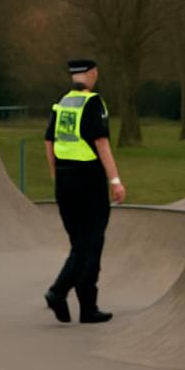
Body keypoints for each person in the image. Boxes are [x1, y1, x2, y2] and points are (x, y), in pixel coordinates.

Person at [44, 58, 126, 324]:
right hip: (88, 181)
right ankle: (58, 291)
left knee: (82, 244)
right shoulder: (92, 103)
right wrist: (115, 181)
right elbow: (101, 143)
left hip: (65, 181)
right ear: (92, 74)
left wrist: (56, 176)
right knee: (90, 242)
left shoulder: (62, 103)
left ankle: (88, 308)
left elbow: (49, 142)